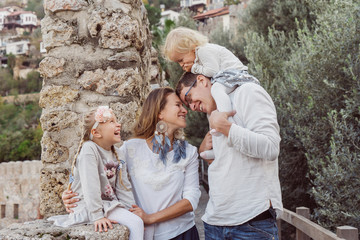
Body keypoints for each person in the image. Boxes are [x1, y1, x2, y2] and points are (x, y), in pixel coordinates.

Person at [62, 87, 201, 240]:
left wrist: (150, 218)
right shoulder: (130, 149)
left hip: (182, 233)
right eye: (178, 105)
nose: (185, 110)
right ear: (160, 112)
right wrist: (73, 195)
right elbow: (99, 176)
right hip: (144, 235)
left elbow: (191, 200)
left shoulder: (190, 152)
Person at [175, 72, 283, 240]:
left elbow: (270, 148)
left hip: (251, 222)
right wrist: (207, 155)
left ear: (202, 81)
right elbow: (231, 164)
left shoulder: (248, 92)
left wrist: (226, 128)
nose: (192, 108)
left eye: (188, 98)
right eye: (187, 105)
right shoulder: (214, 113)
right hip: (215, 223)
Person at [48, 106, 144, 240]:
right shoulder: (89, 149)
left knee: (138, 219)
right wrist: (97, 216)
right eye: (111, 122)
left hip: (108, 205)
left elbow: (124, 187)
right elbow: (90, 184)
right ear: (97, 132)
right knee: (136, 223)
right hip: (88, 207)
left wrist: (131, 209)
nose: (118, 124)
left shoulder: (118, 153)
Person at [164, 27, 260, 160]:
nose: (181, 65)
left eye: (181, 60)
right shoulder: (199, 55)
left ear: (190, 47)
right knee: (212, 107)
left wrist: (194, 68)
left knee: (216, 90)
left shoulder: (203, 50)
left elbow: (213, 71)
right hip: (226, 77)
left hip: (235, 74)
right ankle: (221, 148)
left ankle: (225, 118)